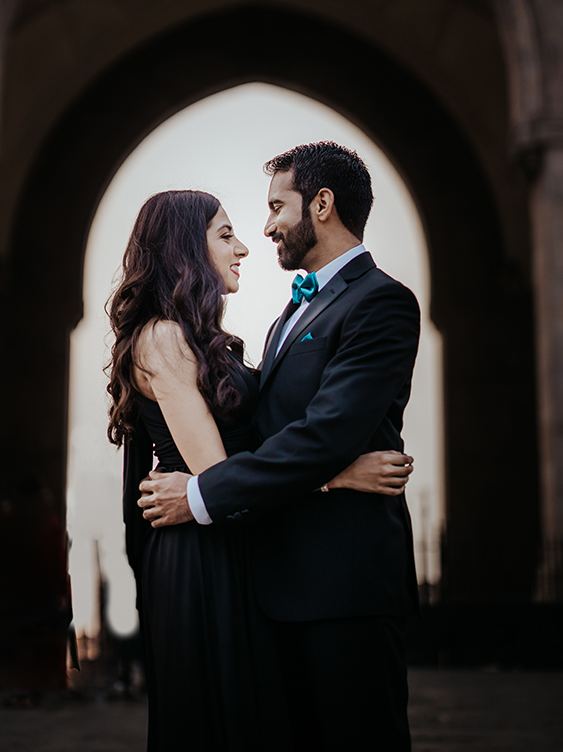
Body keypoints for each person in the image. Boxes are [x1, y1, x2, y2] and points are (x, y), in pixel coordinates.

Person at [107, 187, 414, 751]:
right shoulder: (165, 338)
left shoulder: (203, 338)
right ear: (184, 249)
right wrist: (336, 476)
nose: (245, 245)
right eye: (225, 235)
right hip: (202, 557)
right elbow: (216, 478)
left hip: (232, 551)